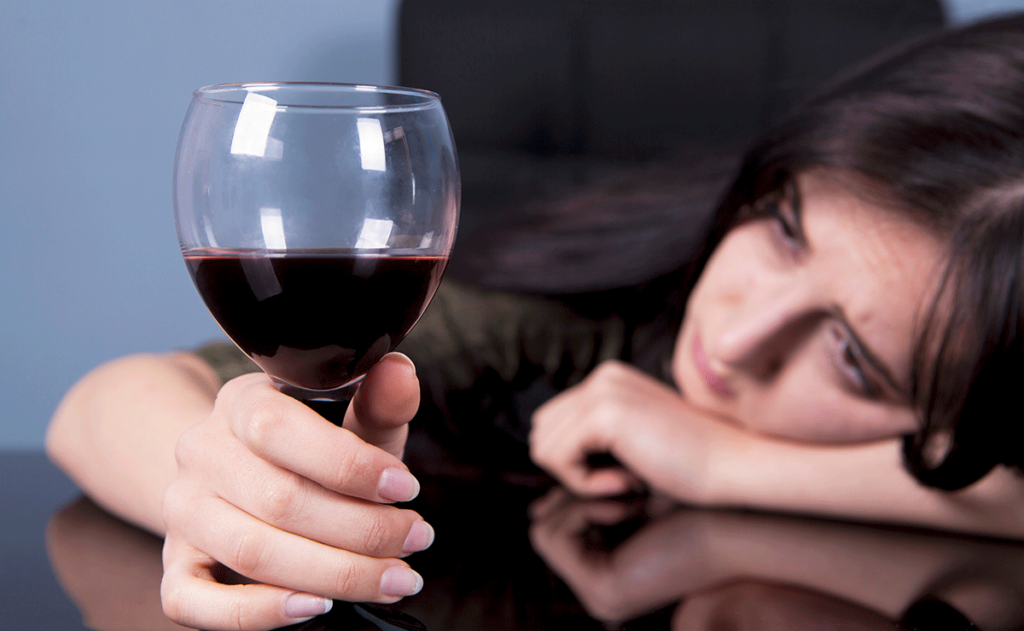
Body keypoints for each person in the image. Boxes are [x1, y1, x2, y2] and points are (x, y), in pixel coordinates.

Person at [46, 13, 1024, 631]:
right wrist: (212, 480)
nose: (732, 337)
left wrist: (724, 463)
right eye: (783, 226)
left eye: (853, 359)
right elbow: (96, 407)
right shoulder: (584, 312)